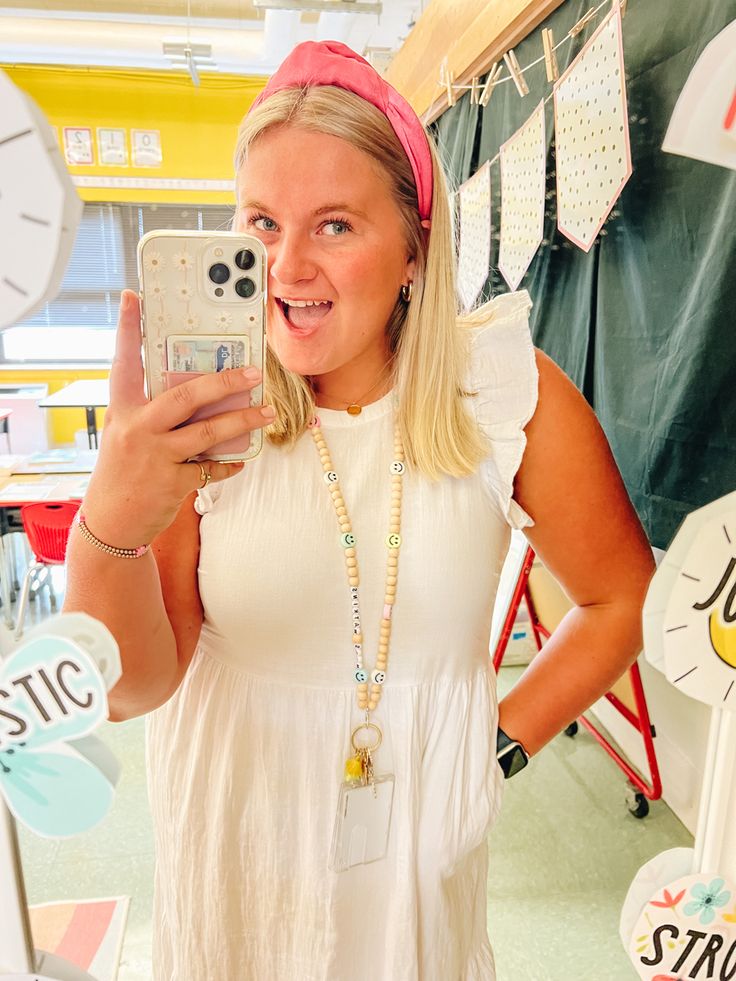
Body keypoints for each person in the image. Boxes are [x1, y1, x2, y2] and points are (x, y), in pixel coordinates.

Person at [64, 40, 655, 981]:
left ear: (415, 245)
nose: (285, 266)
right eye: (260, 220)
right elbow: (132, 686)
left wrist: (495, 745)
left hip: (417, 882)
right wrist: (114, 518)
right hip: (240, 854)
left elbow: (623, 598)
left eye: (334, 224)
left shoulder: (501, 392)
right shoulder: (207, 409)